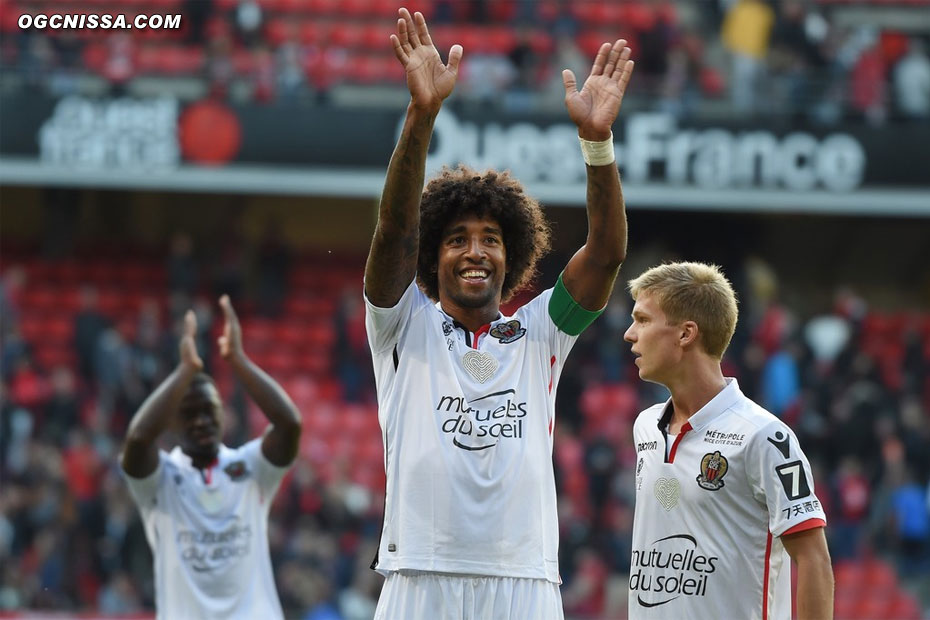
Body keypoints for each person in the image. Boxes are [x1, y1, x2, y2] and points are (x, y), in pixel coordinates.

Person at [364, 8, 633, 618]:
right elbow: (393, 233)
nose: (475, 251)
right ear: (432, 257)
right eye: (457, 238)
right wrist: (422, 115)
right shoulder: (402, 325)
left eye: (490, 238)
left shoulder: (543, 330)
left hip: (524, 580)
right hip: (418, 576)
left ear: (512, 257)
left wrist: (596, 143)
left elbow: (609, 252)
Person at [622, 262, 833, 620]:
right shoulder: (645, 426)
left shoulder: (766, 437)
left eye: (642, 320)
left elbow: (813, 559)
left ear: (686, 334)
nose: (629, 333)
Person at [120, 295, 301, 620]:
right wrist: (185, 369)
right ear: (170, 423)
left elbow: (289, 424)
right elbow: (137, 439)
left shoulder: (252, 467)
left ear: (224, 415)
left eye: (208, 411)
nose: (201, 420)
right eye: (188, 414)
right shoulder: (159, 479)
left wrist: (237, 359)